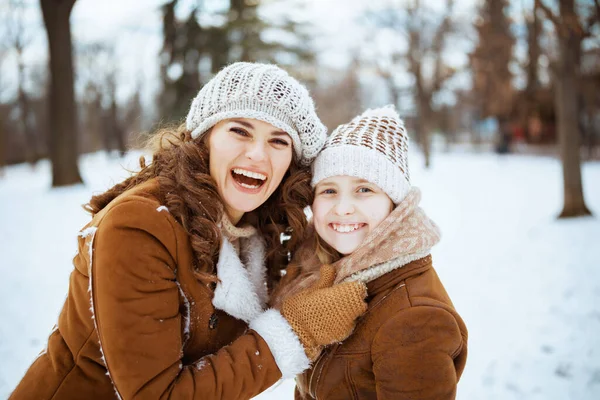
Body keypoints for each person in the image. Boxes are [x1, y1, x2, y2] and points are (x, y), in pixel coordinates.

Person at [9, 62, 368, 400]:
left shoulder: (255, 227)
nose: (258, 154)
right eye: (240, 131)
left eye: (278, 141)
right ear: (205, 137)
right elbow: (156, 394)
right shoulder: (139, 226)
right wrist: (296, 332)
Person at [271, 106, 469, 400]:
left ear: (395, 204)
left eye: (364, 189)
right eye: (328, 190)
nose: (343, 207)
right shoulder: (320, 274)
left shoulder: (416, 318)